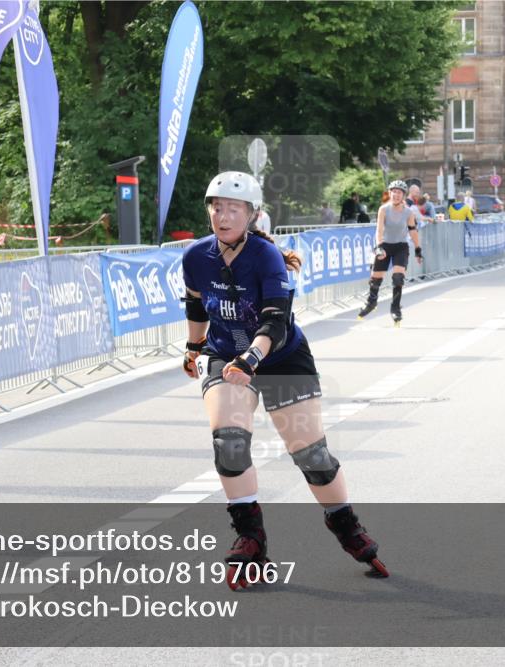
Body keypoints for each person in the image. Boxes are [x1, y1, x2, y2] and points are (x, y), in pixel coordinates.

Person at [180, 171, 388, 587]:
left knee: (312, 457)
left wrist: (251, 359)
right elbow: (197, 305)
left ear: (252, 215)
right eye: (216, 207)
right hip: (225, 355)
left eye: (233, 209)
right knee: (229, 442)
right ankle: (250, 537)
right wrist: (193, 347)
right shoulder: (195, 257)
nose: (222, 216)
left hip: (279, 357)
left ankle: (344, 523)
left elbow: (275, 323)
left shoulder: (266, 257)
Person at [357, 180, 423, 324]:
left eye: (399, 193)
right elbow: (379, 230)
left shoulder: (408, 212)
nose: (396, 195)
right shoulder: (383, 209)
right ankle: (371, 302)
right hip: (385, 245)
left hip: (400, 247)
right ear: (390, 193)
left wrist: (418, 249)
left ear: (403, 196)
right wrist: (379, 246)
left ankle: (395, 308)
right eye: (394, 192)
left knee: (398, 278)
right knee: (375, 279)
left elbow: (413, 231)